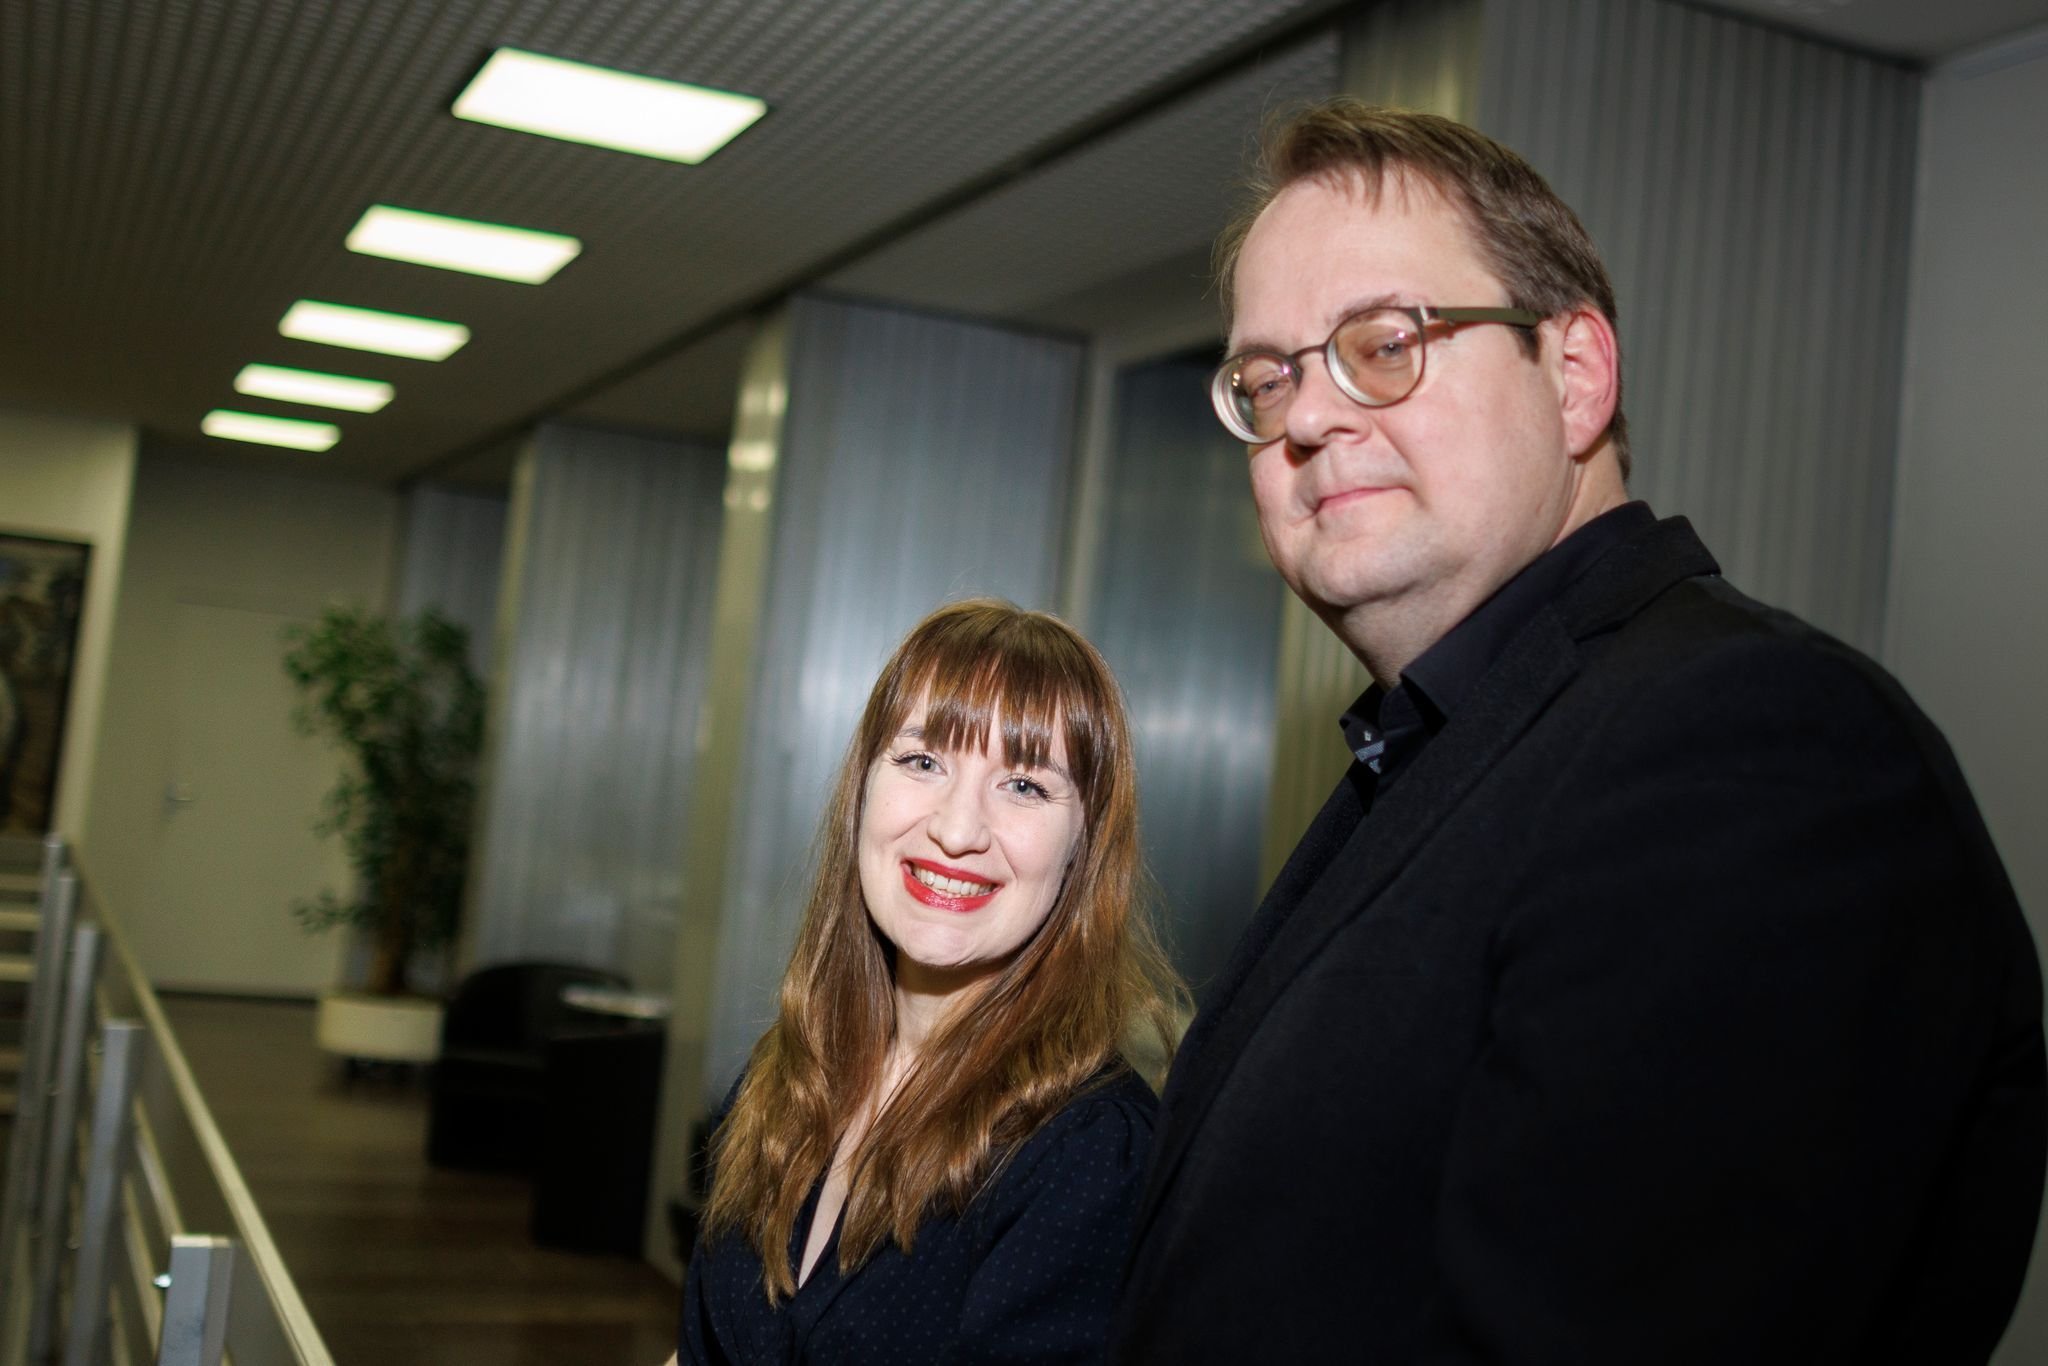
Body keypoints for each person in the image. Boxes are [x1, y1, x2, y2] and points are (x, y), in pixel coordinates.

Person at [1112, 99, 2046, 1364]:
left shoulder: (1753, 744)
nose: (1310, 419)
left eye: (1382, 344)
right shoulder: (1450, 744)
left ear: (1573, 377)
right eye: (1265, 379)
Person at [678, 599, 1182, 1364]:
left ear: (1082, 849)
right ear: (863, 792)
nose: (956, 829)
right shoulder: (784, 1077)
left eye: (1025, 786)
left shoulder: (1090, 1157)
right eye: (923, 762)